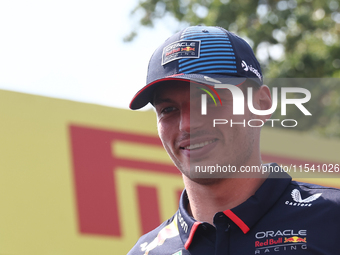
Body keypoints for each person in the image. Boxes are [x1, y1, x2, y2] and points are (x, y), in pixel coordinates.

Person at [127, 25, 340, 255]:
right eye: (168, 109)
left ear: (261, 104)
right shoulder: (144, 252)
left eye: (208, 100)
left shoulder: (332, 219)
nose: (187, 125)